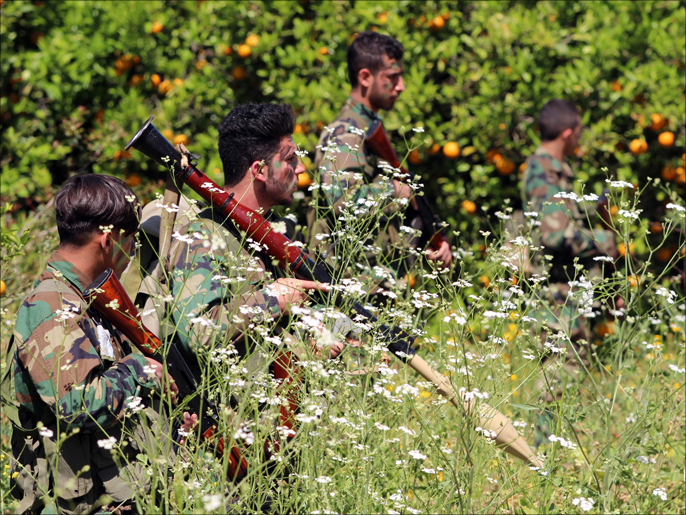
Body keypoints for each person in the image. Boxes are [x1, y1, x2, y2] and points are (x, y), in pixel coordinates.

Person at [8, 175, 189, 514]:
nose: (132, 250)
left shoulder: (84, 301)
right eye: (131, 240)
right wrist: (139, 369)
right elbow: (74, 405)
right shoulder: (52, 307)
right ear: (108, 239)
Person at [308, 31, 452, 289]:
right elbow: (342, 202)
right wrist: (395, 190)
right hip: (347, 289)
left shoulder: (368, 129)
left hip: (378, 286)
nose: (401, 86)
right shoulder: (346, 132)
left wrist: (427, 247)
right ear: (365, 77)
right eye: (392, 77)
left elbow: (384, 228)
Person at [520, 100, 619, 443]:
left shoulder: (555, 171)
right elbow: (555, 234)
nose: (580, 139)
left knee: (568, 378)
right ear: (567, 132)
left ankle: (553, 454)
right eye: (578, 132)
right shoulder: (543, 172)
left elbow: (561, 220)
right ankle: (543, 457)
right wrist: (602, 240)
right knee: (557, 380)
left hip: (568, 295)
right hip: (556, 297)